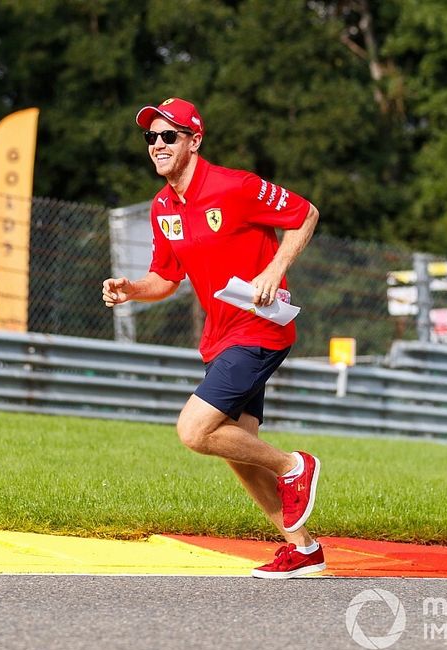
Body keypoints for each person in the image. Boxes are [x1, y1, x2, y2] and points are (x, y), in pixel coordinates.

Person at [102, 97, 324, 579]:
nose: (157, 145)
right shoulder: (163, 207)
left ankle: (294, 466)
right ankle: (303, 549)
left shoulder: (235, 186)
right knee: (236, 446)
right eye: (151, 137)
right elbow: (165, 278)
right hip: (220, 336)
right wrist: (131, 290)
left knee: (195, 430)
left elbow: (306, 214)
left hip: (261, 328)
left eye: (169, 135)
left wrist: (275, 267)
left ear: (193, 141)